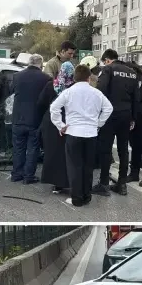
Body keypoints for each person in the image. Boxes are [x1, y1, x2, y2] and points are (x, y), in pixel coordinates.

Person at [50, 65, 114, 207]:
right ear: (89, 77)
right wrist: (99, 123)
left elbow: (54, 108)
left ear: (74, 78)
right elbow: (109, 108)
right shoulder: (96, 93)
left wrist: (60, 125)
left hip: (73, 133)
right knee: (88, 167)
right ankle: (86, 196)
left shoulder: (68, 92)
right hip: (91, 133)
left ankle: (77, 198)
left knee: (75, 167)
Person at [94, 49, 139, 196]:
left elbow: (99, 92)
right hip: (126, 115)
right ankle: (122, 184)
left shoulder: (108, 69)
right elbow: (136, 98)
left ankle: (104, 184)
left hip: (109, 115)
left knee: (105, 149)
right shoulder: (132, 72)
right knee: (123, 150)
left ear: (107, 60)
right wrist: (133, 117)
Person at [11, 53, 51, 184]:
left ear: (29, 62)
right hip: (35, 119)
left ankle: (16, 174)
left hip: (18, 118)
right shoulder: (46, 78)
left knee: (18, 148)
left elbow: (12, 91)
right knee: (33, 148)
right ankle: (28, 176)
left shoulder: (16, 76)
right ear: (41, 64)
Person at [38, 61, 75, 194]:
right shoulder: (74, 87)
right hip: (69, 122)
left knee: (52, 152)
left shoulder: (51, 85)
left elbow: (41, 102)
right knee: (68, 153)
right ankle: (69, 180)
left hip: (51, 122)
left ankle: (56, 183)